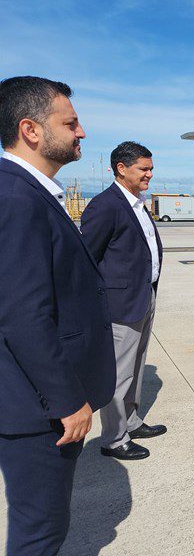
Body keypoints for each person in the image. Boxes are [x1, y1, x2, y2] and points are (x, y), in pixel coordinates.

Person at [0, 76, 116, 554]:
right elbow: (23, 315)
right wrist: (68, 400)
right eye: (70, 123)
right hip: (38, 410)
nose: (81, 132)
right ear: (30, 129)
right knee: (40, 533)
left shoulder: (30, 190)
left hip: (37, 399)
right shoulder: (16, 197)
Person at [81, 141, 167, 461]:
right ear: (122, 169)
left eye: (151, 168)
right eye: (144, 169)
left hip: (145, 295)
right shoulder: (106, 205)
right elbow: (86, 259)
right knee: (119, 372)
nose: (150, 174)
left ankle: (131, 420)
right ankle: (114, 438)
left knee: (137, 364)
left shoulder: (137, 203)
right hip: (120, 304)